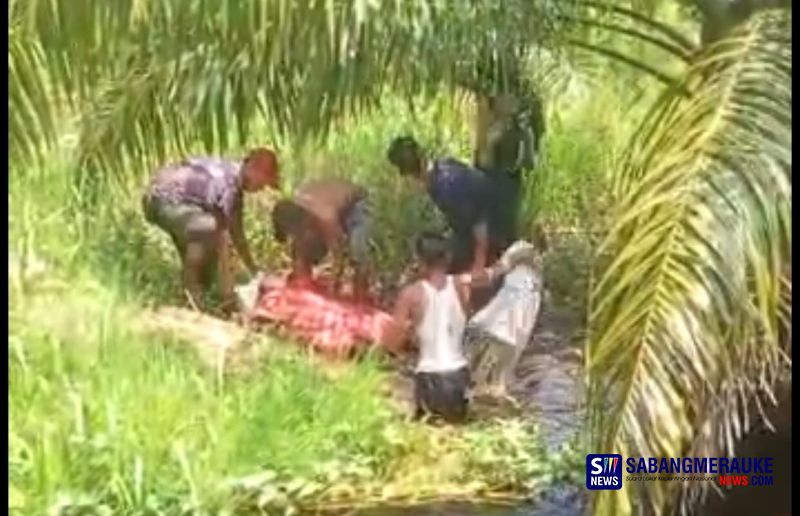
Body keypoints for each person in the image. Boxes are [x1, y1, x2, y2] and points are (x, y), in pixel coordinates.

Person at [384, 232, 528, 424]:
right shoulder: (461, 284)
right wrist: (482, 247)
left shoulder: (410, 295)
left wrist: (410, 339)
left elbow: (393, 341)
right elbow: (489, 275)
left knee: (430, 434)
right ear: (448, 257)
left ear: (418, 259)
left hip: (429, 378)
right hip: (459, 377)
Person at [142, 148, 280, 309]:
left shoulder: (231, 175)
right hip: (164, 199)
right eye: (263, 182)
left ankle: (197, 292)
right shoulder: (230, 185)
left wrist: (250, 270)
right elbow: (230, 237)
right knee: (207, 227)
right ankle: (192, 295)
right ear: (253, 169)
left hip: (179, 204)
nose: (262, 188)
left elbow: (233, 236)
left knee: (206, 249)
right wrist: (247, 276)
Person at [386, 137, 498, 276]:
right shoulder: (443, 167)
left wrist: (478, 265)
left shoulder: (446, 186)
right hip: (474, 229)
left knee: (427, 247)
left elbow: (480, 220)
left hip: (493, 233)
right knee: (426, 242)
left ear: (407, 174)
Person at [270, 177, 373, 302]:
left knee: (357, 248)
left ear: (305, 220)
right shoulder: (298, 206)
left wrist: (332, 289)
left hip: (357, 204)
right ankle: (305, 284)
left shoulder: (325, 215)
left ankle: (360, 296)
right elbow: (298, 248)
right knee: (304, 245)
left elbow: (338, 255)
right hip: (332, 206)